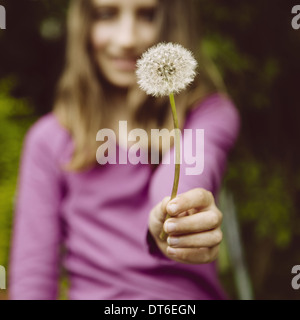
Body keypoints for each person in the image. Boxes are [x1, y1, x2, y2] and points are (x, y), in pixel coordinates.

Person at [9, 0, 240, 300]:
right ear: (84, 25)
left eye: (147, 15)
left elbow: (191, 165)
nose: (127, 39)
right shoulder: (48, 140)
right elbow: (32, 278)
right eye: (107, 14)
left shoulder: (207, 114)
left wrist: (174, 215)